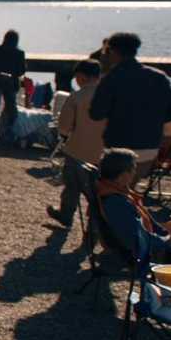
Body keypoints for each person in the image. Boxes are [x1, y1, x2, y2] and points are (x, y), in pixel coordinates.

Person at [90, 32, 171, 181]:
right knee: (129, 188)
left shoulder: (111, 78)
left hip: (118, 149)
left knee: (108, 191)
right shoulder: (160, 77)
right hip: (149, 149)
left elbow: (96, 114)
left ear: (113, 51)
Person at [46, 60, 107, 229]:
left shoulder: (77, 97)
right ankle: (94, 229)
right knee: (96, 194)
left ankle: (66, 215)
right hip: (103, 153)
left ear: (81, 76)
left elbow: (64, 127)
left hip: (77, 150)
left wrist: (65, 135)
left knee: (72, 187)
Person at [96, 148, 171, 260]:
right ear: (123, 175)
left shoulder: (117, 191)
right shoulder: (115, 202)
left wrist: (168, 232)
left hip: (149, 244)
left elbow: (150, 227)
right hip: (138, 254)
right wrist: (169, 242)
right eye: (133, 169)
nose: (135, 173)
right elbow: (138, 240)